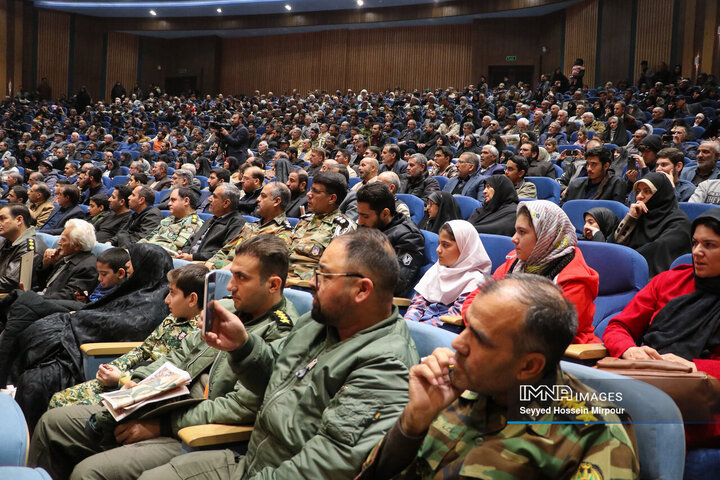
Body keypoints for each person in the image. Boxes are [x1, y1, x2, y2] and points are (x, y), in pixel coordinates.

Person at [134, 229, 418, 480]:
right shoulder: (317, 323)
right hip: (251, 462)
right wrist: (243, 346)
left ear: (361, 290)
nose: (311, 283)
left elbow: (327, 465)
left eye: (324, 275)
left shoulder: (386, 363)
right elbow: (274, 373)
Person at [31, 236, 299, 479]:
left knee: (88, 473)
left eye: (241, 278)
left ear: (273, 284)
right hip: (157, 404)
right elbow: (178, 355)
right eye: (231, 275)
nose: (230, 286)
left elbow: (239, 406)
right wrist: (138, 383)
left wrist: (160, 424)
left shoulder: (282, 334)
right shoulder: (228, 307)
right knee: (52, 424)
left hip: (192, 431)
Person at [357, 275, 638, 480]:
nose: (457, 344)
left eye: (478, 338)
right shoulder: (455, 384)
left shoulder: (594, 437)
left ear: (528, 366)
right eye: (466, 327)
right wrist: (412, 423)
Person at [1, 243, 173, 430]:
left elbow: (125, 326)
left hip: (96, 352)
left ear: (145, 268)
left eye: (132, 266)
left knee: (35, 379)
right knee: (28, 319)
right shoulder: (138, 287)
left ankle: (18, 430)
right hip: (86, 329)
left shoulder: (158, 302)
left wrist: (81, 319)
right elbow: (108, 310)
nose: (128, 270)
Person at [465, 201, 600, 344]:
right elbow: (474, 300)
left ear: (546, 235)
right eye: (516, 231)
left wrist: (484, 321)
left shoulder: (575, 279)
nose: (514, 239)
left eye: (522, 232)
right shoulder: (515, 261)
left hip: (562, 359)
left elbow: (541, 334)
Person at [404, 220, 491, 331]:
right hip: (417, 328)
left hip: (441, 334)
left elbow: (452, 318)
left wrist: (416, 330)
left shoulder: (475, 280)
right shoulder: (437, 268)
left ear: (464, 248)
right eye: (439, 243)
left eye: (445, 245)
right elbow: (417, 304)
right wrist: (407, 324)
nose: (438, 249)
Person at [613, 172, 692, 276]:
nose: (639, 197)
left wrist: (619, 260)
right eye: (638, 191)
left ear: (660, 194)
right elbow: (614, 243)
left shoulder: (679, 223)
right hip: (626, 269)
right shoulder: (638, 215)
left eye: (647, 191)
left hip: (655, 278)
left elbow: (656, 252)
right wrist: (630, 219)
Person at [356, 183, 425, 297]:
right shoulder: (368, 225)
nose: (360, 221)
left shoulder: (409, 237)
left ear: (385, 213)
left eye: (365, 216)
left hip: (376, 299)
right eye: (359, 215)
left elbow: (397, 282)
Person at [206, 182, 294, 270]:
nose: (258, 199)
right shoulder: (250, 226)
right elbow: (225, 251)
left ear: (276, 201)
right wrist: (210, 264)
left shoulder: (283, 232)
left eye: (263, 196)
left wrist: (228, 269)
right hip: (220, 271)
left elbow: (263, 265)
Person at [287, 171, 356, 282]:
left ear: (332, 198)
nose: (308, 194)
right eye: (310, 189)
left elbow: (332, 270)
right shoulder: (305, 220)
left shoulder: (342, 227)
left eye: (315, 191)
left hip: (305, 287)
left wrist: (295, 281)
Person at [177, 183, 246, 261]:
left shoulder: (237, 223)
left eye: (214, 196)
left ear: (226, 203)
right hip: (189, 259)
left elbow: (224, 253)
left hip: (205, 264)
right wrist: (183, 253)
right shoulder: (211, 219)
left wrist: (193, 257)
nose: (209, 199)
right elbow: (191, 241)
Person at [139, 187, 204, 253]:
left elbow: (176, 248)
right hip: (148, 251)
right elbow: (148, 238)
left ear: (186, 201)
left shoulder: (193, 223)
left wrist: (146, 247)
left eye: (173, 200)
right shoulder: (168, 219)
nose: (169, 204)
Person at [0, 204, 47, 293]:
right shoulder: (7, 240)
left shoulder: (30, 249)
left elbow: (9, 283)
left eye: (2, 218)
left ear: (19, 220)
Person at [562, 146, 628, 204]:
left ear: (606, 166)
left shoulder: (617, 184)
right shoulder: (575, 184)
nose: (589, 169)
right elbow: (563, 209)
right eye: (588, 164)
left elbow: (616, 214)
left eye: (594, 164)